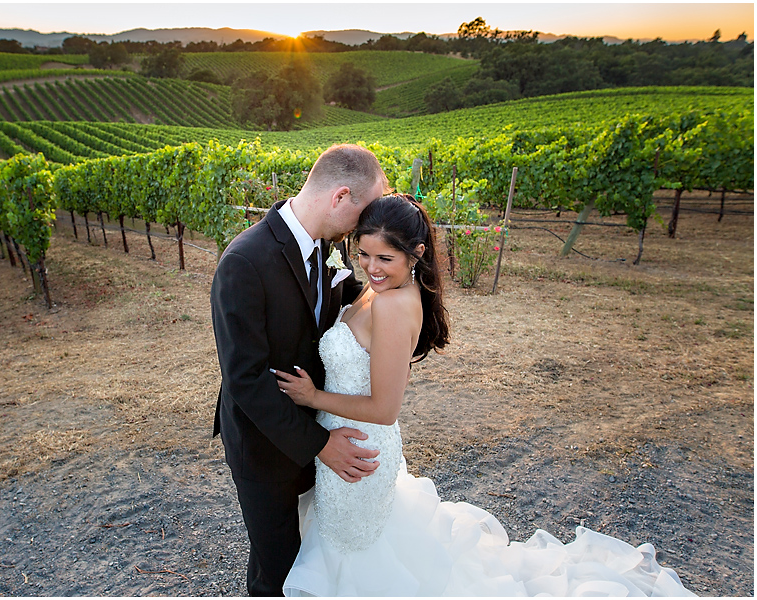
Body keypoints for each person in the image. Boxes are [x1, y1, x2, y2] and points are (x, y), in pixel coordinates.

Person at [274, 194, 695, 597]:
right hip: (342, 447)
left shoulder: (394, 304)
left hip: (359, 451)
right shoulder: (380, 289)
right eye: (364, 254)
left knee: (357, 563)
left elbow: (384, 409)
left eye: (385, 258)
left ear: (416, 253)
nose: (371, 267)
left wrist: (312, 398)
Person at [210, 144, 389, 596]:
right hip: (263, 444)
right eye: (365, 213)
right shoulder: (244, 262)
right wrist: (321, 444)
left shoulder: (329, 249)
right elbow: (245, 380)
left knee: (307, 553)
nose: (368, 229)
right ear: (340, 197)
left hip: (314, 425)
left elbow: (344, 311)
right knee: (278, 567)